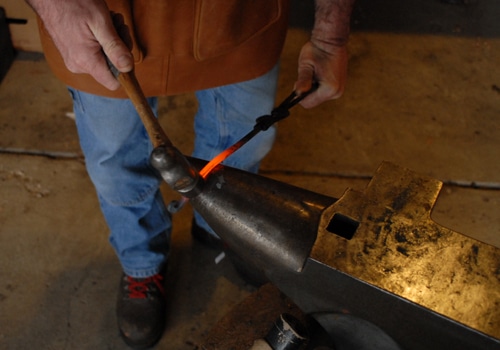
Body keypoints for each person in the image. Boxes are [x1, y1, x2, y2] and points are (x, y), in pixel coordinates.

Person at [26, 0, 355, 348]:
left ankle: (219, 227)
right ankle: (141, 261)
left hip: (242, 20)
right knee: (115, 164)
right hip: (98, 21)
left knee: (240, 149)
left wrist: (330, 37)